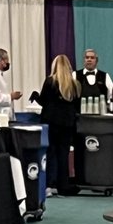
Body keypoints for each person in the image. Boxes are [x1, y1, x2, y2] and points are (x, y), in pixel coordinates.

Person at [30, 55, 80, 197]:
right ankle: (63, 185)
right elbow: (76, 105)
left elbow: (44, 102)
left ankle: (50, 185)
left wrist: (35, 96)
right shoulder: (74, 84)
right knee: (63, 154)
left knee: (50, 153)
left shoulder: (50, 82)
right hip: (67, 123)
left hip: (51, 122)